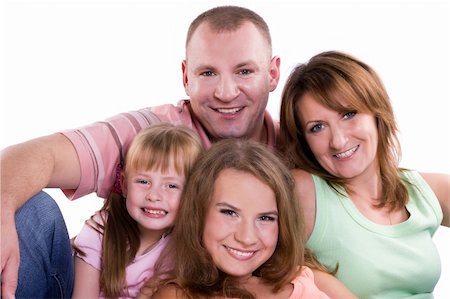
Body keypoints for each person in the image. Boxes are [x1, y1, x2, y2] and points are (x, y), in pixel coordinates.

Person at [1, 5, 281, 298]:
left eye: (245, 71)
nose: (226, 92)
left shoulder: (298, 146)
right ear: (186, 77)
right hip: (86, 285)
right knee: (31, 208)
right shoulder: (153, 136)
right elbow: (38, 155)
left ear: (272, 73)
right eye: (208, 72)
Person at [278, 50, 450, 298]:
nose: (338, 141)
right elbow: (259, 272)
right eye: (317, 128)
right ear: (304, 141)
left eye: (348, 114)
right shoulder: (304, 190)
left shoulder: (423, 189)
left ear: (376, 113)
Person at [139, 139, 355, 299]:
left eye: (265, 218)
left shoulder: (305, 277)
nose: (247, 237)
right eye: (229, 213)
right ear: (199, 213)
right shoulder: (177, 295)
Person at [72, 123, 203, 298]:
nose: (154, 195)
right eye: (143, 181)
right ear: (124, 185)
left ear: (192, 194)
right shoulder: (100, 230)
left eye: (171, 185)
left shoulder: (184, 250)